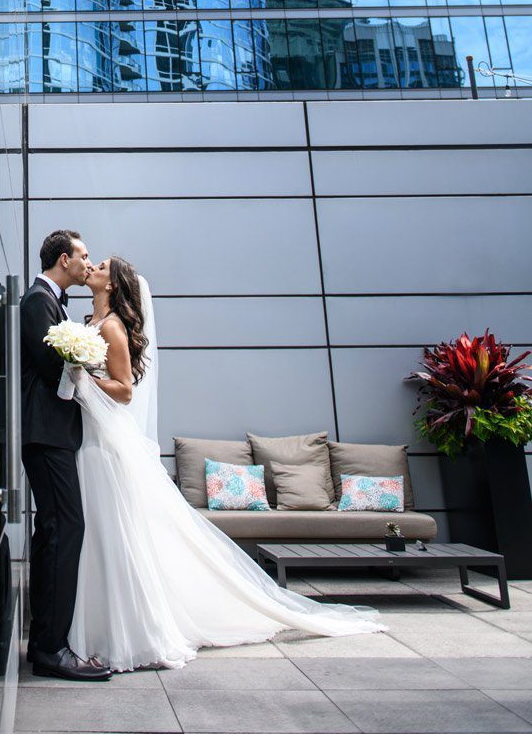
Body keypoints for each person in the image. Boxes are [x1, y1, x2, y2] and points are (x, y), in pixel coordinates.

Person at [66, 255, 386, 671]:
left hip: (105, 443)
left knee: (111, 531)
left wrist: (82, 377)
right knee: (99, 530)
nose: (93, 266)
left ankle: (125, 630)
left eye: (102, 265)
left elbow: (125, 390)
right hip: (90, 437)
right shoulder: (90, 323)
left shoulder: (111, 327)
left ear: (113, 284)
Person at [20, 229, 112, 681]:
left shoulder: (52, 302)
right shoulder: (38, 301)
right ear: (63, 259)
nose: (87, 262)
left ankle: (46, 643)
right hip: (45, 434)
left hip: (54, 435)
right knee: (64, 528)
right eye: (83, 255)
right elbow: (50, 365)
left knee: (55, 530)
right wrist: (83, 361)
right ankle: (51, 648)